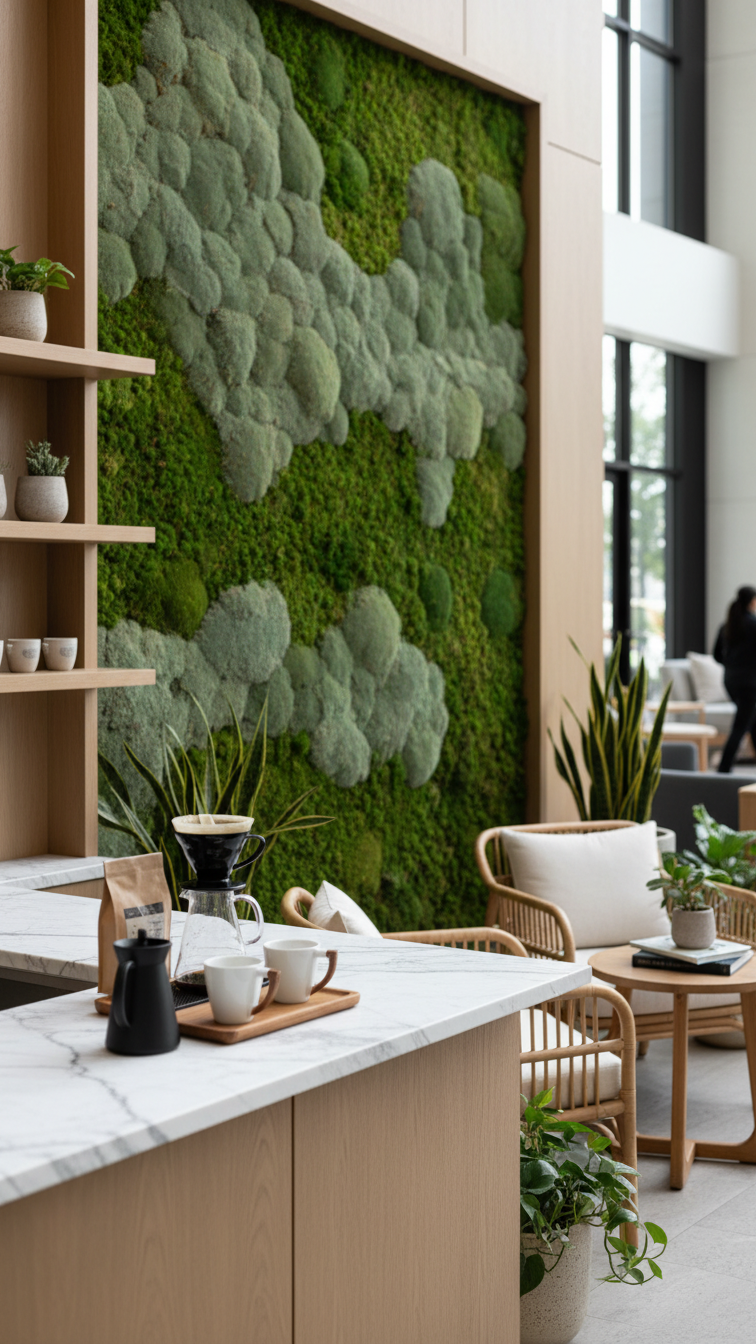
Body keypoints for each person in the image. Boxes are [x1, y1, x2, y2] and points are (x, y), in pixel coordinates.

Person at [714, 585, 756, 772]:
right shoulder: (753, 624)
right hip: (750, 684)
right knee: (741, 725)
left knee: (752, 721)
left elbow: (716, 655)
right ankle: (724, 767)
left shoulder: (727, 625)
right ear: (751, 601)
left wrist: (732, 666)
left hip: (730, 682)